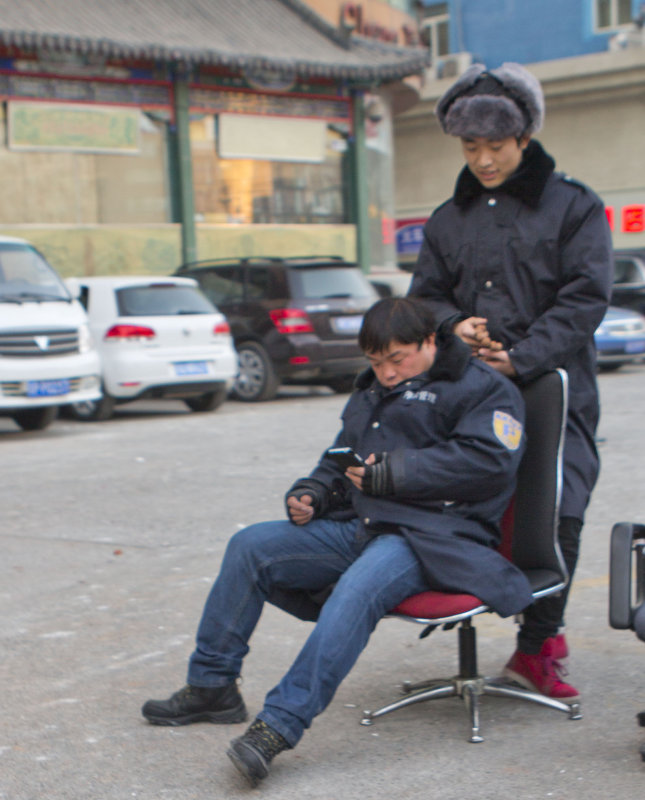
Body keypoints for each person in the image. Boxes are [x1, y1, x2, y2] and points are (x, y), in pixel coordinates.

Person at [141, 296, 531, 787]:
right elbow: (340, 458)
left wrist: (394, 475)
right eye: (375, 362)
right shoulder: (372, 391)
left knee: (355, 591)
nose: (386, 373)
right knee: (251, 546)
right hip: (364, 524)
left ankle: (277, 727)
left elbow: (488, 462)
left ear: (431, 341)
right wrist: (312, 493)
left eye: (397, 359)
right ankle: (212, 686)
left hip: (435, 536)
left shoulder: (483, 389)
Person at [408, 62, 613, 703]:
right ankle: (463, 619)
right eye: (472, 148)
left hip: (554, 388)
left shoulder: (574, 206)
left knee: (559, 513)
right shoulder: (446, 220)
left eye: (496, 146)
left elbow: (586, 299)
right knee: (473, 509)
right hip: (468, 394)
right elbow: (426, 298)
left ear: (524, 136)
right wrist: (452, 327)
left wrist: (520, 357)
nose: (485, 160)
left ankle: (538, 648)